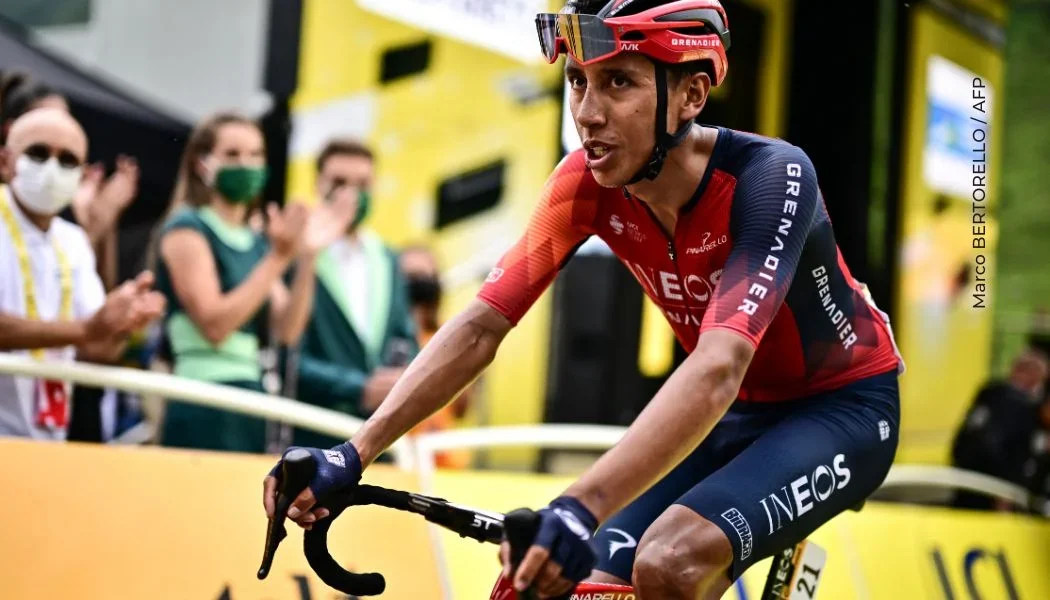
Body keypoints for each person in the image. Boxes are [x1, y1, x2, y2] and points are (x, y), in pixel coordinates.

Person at [262, 1, 905, 598]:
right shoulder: (584, 185)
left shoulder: (771, 176)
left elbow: (716, 367)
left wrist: (578, 506)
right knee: (540, 584)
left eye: (618, 82)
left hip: (842, 409)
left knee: (668, 561)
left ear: (690, 94)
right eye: (577, 81)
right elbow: (483, 325)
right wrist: (353, 452)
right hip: (735, 414)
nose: (588, 113)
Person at [153, 112, 351, 454]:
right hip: (201, 396)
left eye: (255, 155)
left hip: (251, 401)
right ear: (203, 164)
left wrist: (306, 257)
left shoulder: (257, 241)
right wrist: (278, 258)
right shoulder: (187, 227)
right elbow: (215, 324)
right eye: (232, 154)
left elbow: (287, 329)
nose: (245, 164)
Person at [0, 107, 164, 439]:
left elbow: (96, 350)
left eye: (67, 160)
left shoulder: (72, 241)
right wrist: (88, 328)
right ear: (5, 161)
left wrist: (121, 326)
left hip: (46, 442)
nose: (51, 168)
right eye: (38, 153)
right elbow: (83, 330)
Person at [287, 138, 418, 450]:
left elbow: (405, 336)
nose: (351, 193)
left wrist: (401, 378)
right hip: (310, 431)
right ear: (319, 184)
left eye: (362, 183)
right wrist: (357, 387)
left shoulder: (387, 258)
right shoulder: (294, 252)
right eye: (339, 182)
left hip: (378, 434)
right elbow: (285, 353)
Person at [400, 244, 474, 469]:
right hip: (399, 459)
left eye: (428, 277)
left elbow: (462, 407)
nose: (420, 284)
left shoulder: (449, 336)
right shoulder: (384, 339)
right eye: (412, 277)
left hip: (445, 462)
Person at [951, 347, 1049, 510]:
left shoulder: (994, 394)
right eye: (1025, 367)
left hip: (983, 483)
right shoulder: (999, 396)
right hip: (986, 484)